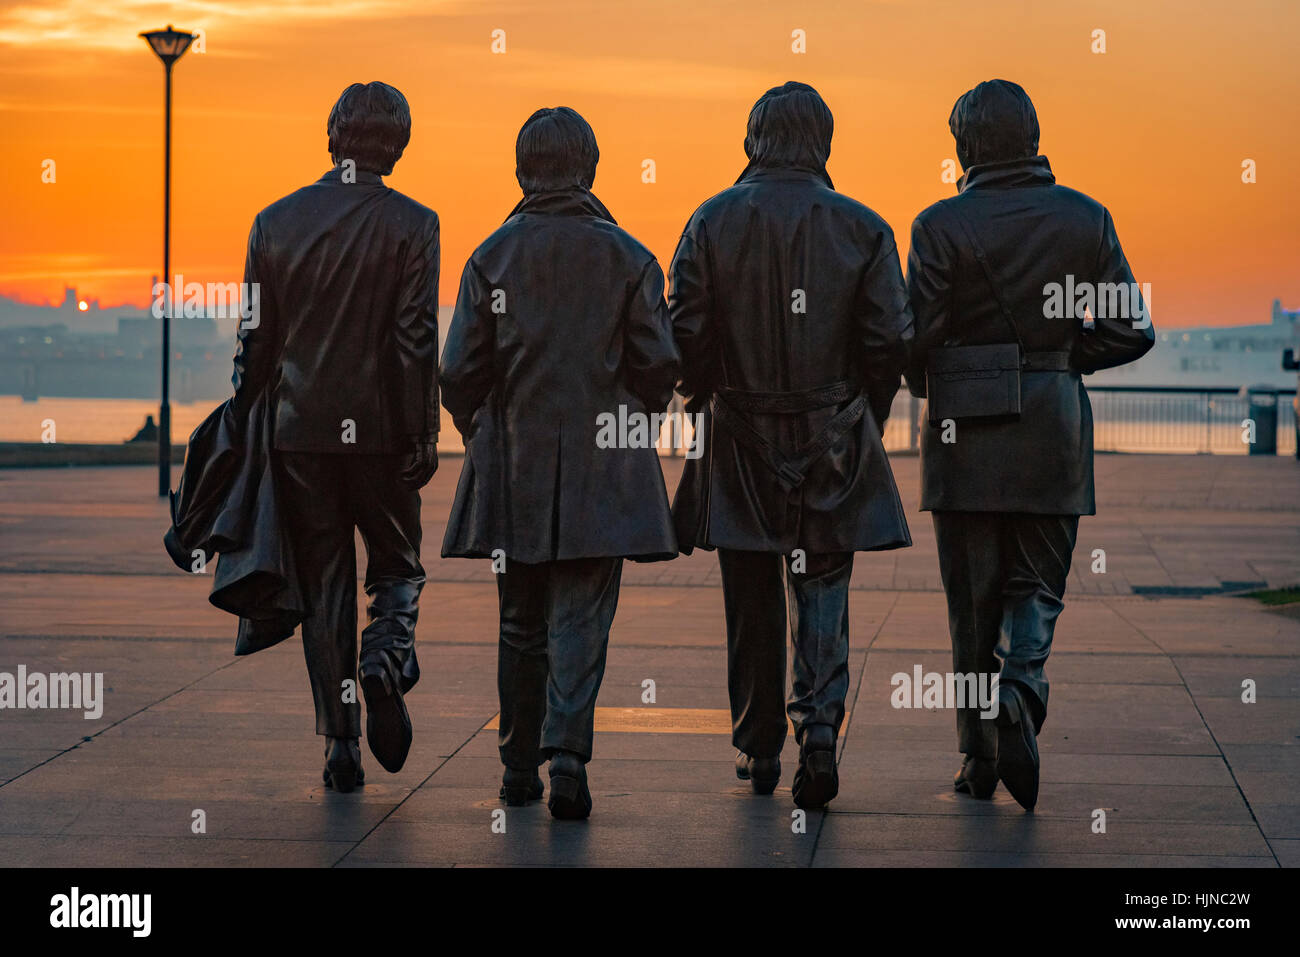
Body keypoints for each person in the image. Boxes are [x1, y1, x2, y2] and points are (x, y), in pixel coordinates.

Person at [904, 79, 1155, 810]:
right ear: (1034, 137)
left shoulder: (937, 224)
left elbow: (912, 339)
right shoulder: (1087, 217)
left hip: (963, 433)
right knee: (1038, 586)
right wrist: (1061, 359)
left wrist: (938, 377)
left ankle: (979, 756)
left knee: (971, 606)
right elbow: (1131, 328)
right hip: (1053, 426)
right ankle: (1021, 687)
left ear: (966, 145)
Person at [668, 82, 913, 809]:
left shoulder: (711, 221)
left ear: (753, 141)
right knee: (824, 590)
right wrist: (859, 414)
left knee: (750, 598)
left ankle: (758, 742)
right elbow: (890, 342)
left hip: (739, 437)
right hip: (832, 437)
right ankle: (820, 732)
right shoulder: (864, 228)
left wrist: (702, 396)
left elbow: (684, 339)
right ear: (824, 143)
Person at [440, 107, 679, 820]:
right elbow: (660, 364)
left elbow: (457, 372)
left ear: (521, 171)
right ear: (591, 169)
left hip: (514, 464)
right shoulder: (630, 257)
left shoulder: (490, 257)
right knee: (580, 616)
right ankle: (567, 755)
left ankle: (518, 766)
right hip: (603, 472)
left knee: (519, 619)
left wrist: (483, 427)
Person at [231, 81, 440, 792]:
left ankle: (341, 745)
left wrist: (243, 416)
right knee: (399, 566)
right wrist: (422, 426)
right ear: (398, 144)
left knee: (323, 587)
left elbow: (256, 341)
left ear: (333, 136)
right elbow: (413, 338)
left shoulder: (274, 221)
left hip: (299, 433)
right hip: (382, 432)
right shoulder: (415, 224)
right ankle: (384, 657)